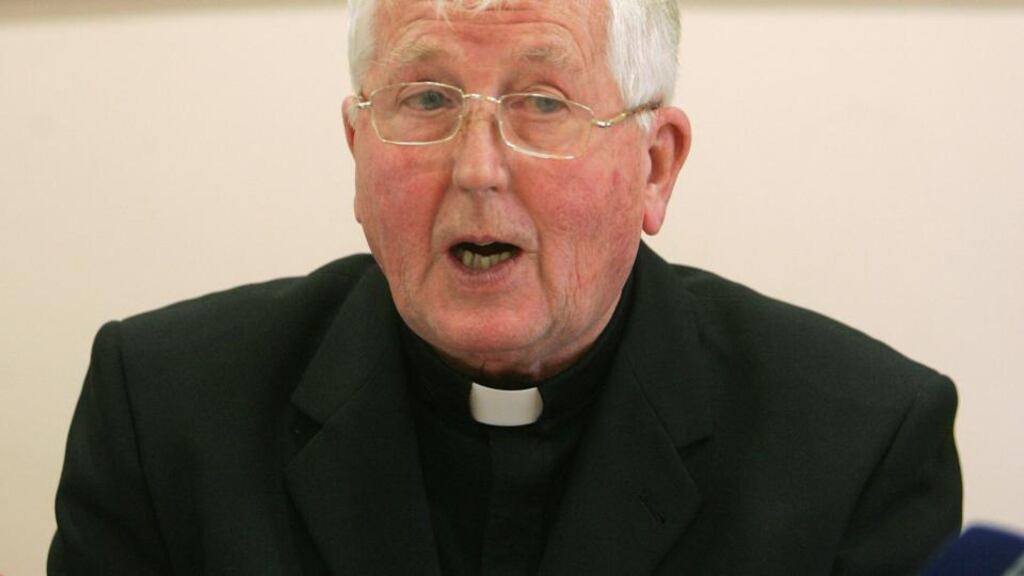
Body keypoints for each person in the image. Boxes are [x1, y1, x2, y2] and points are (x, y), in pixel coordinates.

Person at [48, 0, 962, 574]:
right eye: (428, 100)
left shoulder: (860, 443)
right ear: (357, 152)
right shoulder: (163, 411)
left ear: (655, 166)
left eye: (544, 104)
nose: (477, 170)